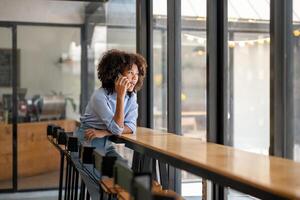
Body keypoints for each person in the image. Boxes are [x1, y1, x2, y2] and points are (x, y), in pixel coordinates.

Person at [75, 49, 147, 159]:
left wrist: (104, 132)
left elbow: (131, 127)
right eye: (130, 72)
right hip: (87, 142)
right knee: (96, 176)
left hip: (107, 142)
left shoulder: (131, 95)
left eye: (137, 74)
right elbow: (118, 129)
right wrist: (120, 96)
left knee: (124, 171)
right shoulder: (99, 96)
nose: (135, 78)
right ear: (116, 74)